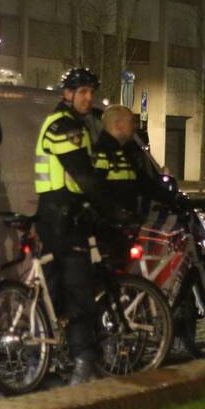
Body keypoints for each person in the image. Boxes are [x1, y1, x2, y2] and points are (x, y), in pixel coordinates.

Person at [34, 67, 132, 384]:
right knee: (78, 290)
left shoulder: (71, 124)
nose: (88, 98)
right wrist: (113, 210)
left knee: (53, 289)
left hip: (56, 214)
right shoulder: (66, 127)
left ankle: (41, 357)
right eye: (82, 92)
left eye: (91, 92)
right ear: (67, 94)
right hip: (64, 217)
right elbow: (83, 176)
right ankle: (83, 361)